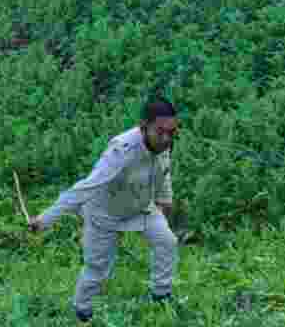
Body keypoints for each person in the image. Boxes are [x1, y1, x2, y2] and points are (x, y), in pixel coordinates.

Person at [28, 98, 180, 323]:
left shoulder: (162, 144)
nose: (167, 138)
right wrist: (45, 219)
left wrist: (164, 200)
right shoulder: (122, 151)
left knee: (167, 241)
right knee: (98, 269)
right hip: (105, 214)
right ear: (143, 126)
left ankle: (161, 295)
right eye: (161, 132)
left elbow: (163, 171)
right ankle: (82, 310)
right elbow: (87, 186)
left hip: (141, 209)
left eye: (172, 132)